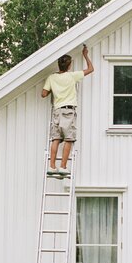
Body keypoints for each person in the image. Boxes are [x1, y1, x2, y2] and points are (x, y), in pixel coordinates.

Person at [41, 45, 94, 176]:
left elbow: (43, 94)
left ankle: (52, 167)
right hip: (68, 111)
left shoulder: (52, 77)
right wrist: (85, 55)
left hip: (57, 111)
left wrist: (52, 90)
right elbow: (91, 69)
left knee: (56, 139)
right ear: (69, 66)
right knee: (69, 139)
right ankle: (63, 166)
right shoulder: (72, 76)